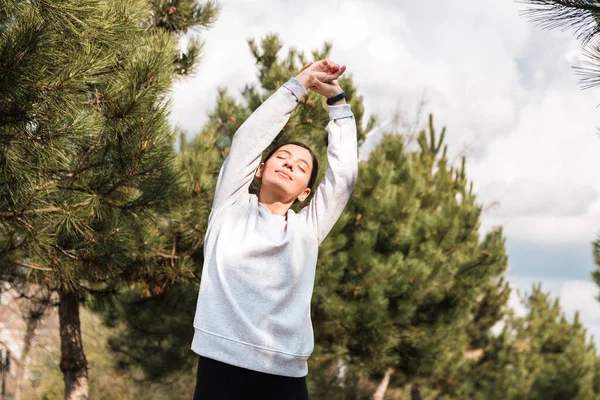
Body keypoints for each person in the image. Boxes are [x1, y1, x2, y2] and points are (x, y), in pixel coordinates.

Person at [192, 59, 358, 399]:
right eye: (283, 157)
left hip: (284, 371)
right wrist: (298, 85)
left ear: (305, 193)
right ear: (260, 169)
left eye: (301, 167)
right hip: (221, 361)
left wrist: (338, 103)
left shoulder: (306, 231)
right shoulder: (230, 207)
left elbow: (343, 177)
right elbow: (248, 139)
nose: (289, 164)